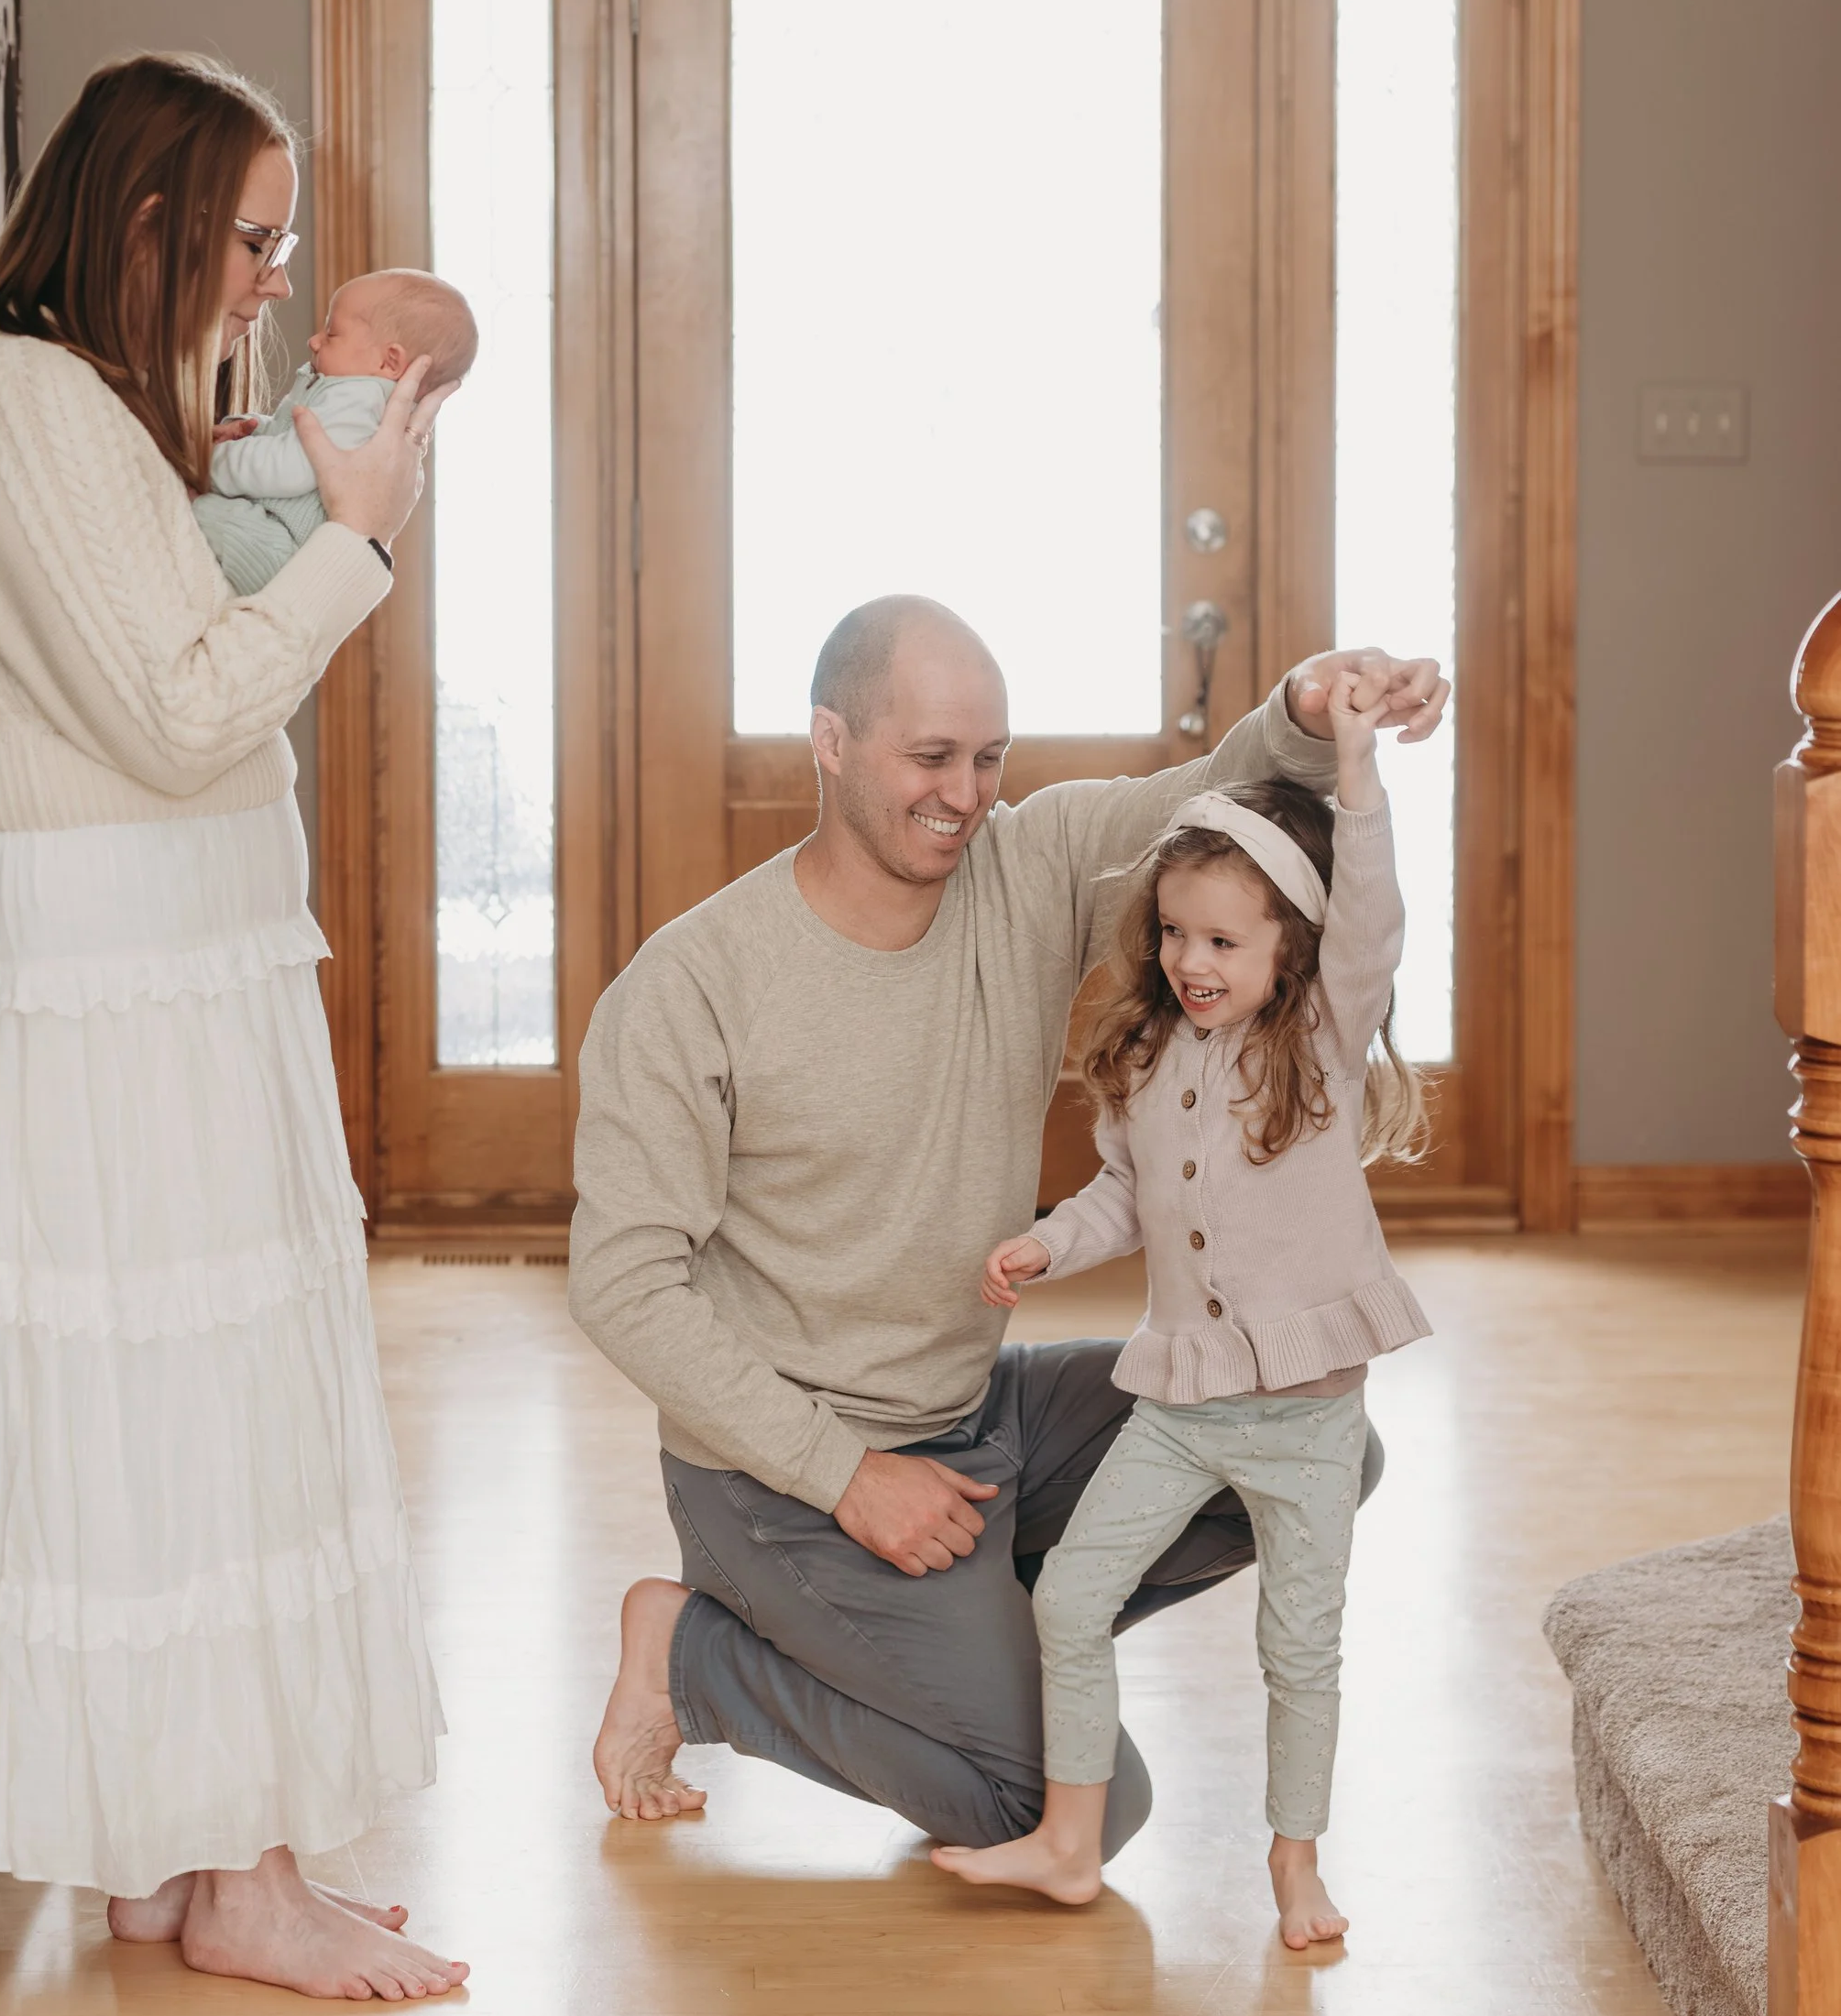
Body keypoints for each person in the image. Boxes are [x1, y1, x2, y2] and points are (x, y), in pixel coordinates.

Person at [0, 50, 467, 2003]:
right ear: (147, 226)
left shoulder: (91, 412)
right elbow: (188, 712)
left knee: (182, 1413)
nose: (272, 290)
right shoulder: (28, 410)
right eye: (250, 241)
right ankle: (236, 1873)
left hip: (159, 964)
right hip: (110, 982)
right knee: (186, 1417)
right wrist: (358, 540)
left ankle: (187, 1852)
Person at [569, 594, 1446, 1858]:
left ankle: (980, 1637)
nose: (965, 793)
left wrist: (1315, 708)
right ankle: (690, 1652)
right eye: (929, 757)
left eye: (988, 758)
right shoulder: (694, 983)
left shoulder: (1030, 868)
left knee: (1317, 1449)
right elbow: (622, 1285)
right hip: (782, 1480)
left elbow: (1217, 791)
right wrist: (847, 1477)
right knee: (1055, 1803)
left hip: (981, 1416)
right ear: (829, 740)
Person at [934, 666, 1426, 1945]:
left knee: (1297, 1652)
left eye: (1225, 941)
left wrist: (1360, 773)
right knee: (1070, 1599)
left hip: (1309, 1419)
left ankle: (1297, 1864)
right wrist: (1046, 1244)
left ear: (1291, 949)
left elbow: (1371, 912)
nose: (1192, 963)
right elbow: (1120, 1196)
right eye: (1175, 934)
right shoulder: (1148, 1059)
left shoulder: (1315, 1037)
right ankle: (1066, 1842)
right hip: (1184, 1405)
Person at [196, 268, 479, 596]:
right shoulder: (353, 398)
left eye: (331, 333)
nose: (313, 341)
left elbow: (291, 467)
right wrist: (252, 427)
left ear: (389, 361)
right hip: (275, 533)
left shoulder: (358, 401)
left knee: (196, 507)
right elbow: (295, 441)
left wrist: (209, 460)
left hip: (277, 546)